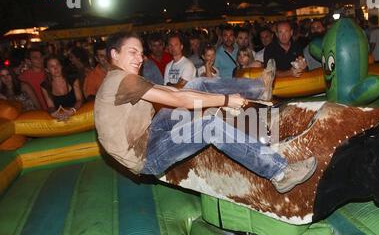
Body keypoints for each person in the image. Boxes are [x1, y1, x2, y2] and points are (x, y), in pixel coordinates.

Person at [94, 32, 317, 194]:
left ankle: (260, 88)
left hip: (151, 130)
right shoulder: (121, 81)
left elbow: (170, 91)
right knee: (209, 126)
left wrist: (202, 95)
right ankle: (280, 172)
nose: (140, 58)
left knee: (198, 83)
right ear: (114, 54)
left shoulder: (124, 78)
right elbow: (177, 99)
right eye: (133, 52)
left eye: (141, 53)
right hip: (144, 154)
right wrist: (226, 100)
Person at [41, 55, 84, 120]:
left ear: (61, 66)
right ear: (47, 70)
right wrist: (53, 113)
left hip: (78, 113)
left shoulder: (72, 79)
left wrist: (73, 110)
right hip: (61, 117)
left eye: (57, 65)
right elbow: (51, 106)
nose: (56, 68)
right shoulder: (45, 86)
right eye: (52, 66)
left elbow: (80, 100)